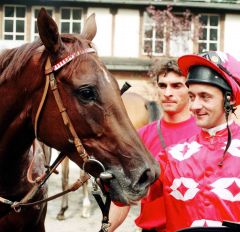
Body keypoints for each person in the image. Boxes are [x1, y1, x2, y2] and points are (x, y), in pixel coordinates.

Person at [145, 50, 240, 232]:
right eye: (192, 97)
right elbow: (131, 193)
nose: (195, 106)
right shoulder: (169, 156)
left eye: (205, 97)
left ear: (229, 99)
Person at [109, 59, 200, 232]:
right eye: (162, 85)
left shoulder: (204, 134)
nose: (167, 92)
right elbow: (124, 197)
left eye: (176, 86)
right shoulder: (141, 137)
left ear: (190, 90)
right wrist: (106, 229)